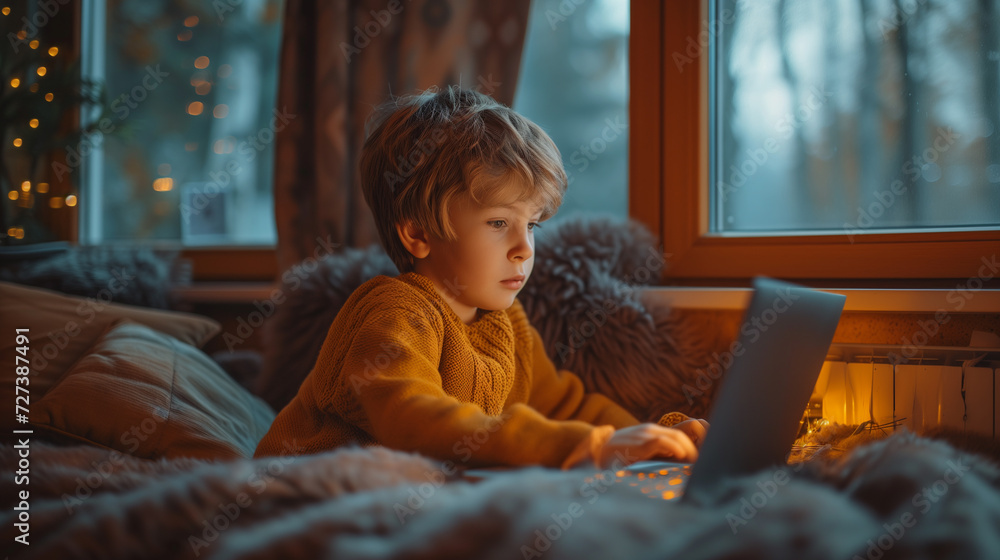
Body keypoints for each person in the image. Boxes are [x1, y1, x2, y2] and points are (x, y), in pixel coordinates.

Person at [254, 86, 708, 470]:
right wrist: (583, 449)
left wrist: (653, 441)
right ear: (417, 232)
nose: (524, 248)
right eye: (497, 223)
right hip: (308, 500)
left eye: (531, 225)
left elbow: (566, 406)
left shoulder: (505, 323)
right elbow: (412, 418)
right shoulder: (393, 311)